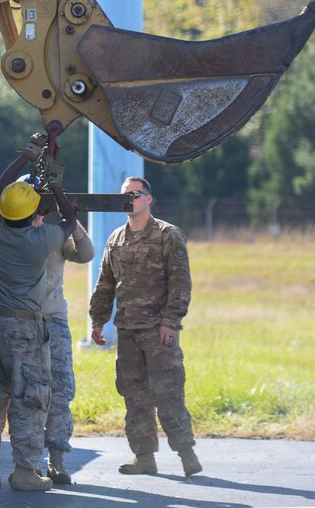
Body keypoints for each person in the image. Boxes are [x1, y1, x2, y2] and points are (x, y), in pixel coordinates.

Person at [0, 135, 77, 492]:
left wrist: (24, 158)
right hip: (24, 328)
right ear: (32, 214)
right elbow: (70, 222)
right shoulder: (41, 240)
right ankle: (25, 471)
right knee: (30, 397)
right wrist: (57, 187)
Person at [89, 176, 202, 477]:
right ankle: (144, 457)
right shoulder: (115, 239)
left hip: (157, 331)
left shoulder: (167, 235)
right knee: (134, 397)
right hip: (127, 332)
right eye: (124, 195)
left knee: (168, 394)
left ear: (149, 199)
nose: (130, 200)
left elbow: (180, 283)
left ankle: (186, 454)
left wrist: (170, 323)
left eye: (135, 194)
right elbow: (105, 284)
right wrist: (98, 320)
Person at [34, 200, 93, 485]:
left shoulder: (56, 232)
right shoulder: (14, 231)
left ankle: (57, 460)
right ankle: (31, 463)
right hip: (25, 321)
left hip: (53, 320)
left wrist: (69, 216)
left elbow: (86, 253)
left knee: (59, 393)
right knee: (29, 395)